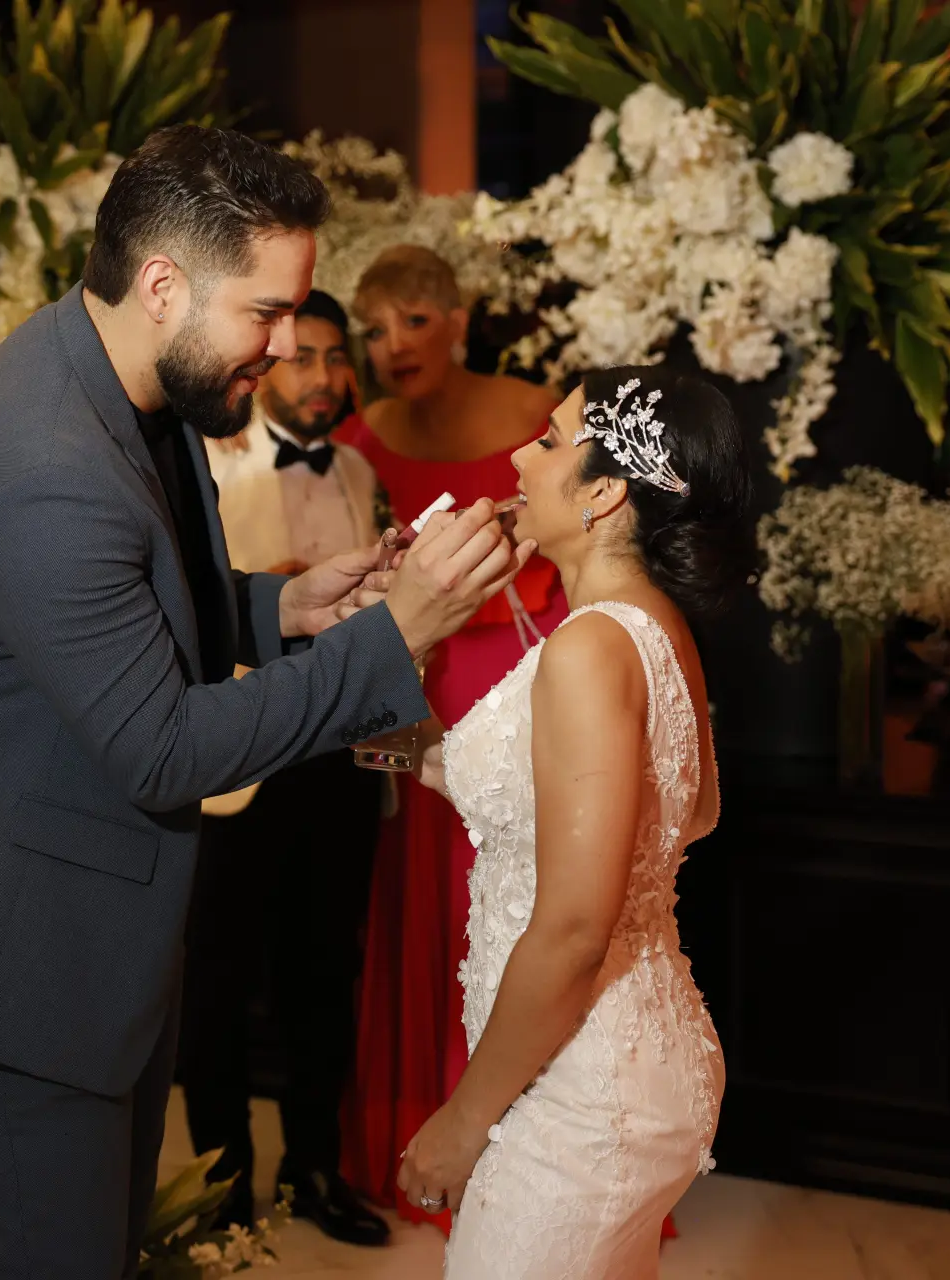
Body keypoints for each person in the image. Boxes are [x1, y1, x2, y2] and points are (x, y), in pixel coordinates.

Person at [0, 124, 535, 1279]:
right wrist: (395, 632)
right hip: (23, 947)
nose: (284, 346)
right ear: (163, 284)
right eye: (265, 312)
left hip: (87, 920)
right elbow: (163, 746)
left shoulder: (123, 379)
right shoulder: (46, 465)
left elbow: (139, 599)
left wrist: (283, 608)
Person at [398, 365, 754, 1277]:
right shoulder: (658, 628)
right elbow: (689, 811)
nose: (521, 453)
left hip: (578, 1092)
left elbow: (573, 928)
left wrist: (462, 1121)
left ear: (604, 492)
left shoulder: (591, 646)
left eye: (551, 441)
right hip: (639, 1054)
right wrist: (384, 653)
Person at [337, 244, 573, 1227]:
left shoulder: (540, 417)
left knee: (524, 897)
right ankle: (418, 1129)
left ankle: (533, 1145)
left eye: (414, 321)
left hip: (527, 679)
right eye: (376, 329)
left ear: (461, 319)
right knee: (421, 894)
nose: (393, 345)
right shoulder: (360, 435)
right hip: (419, 691)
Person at [181, 289, 390, 1247]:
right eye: (302, 356)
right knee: (216, 983)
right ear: (265, 359)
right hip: (237, 758)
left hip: (337, 757)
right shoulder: (206, 460)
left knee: (322, 974)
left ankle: (315, 1169)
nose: (322, 377)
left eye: (335, 357)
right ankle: (220, 1186)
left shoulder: (354, 466)